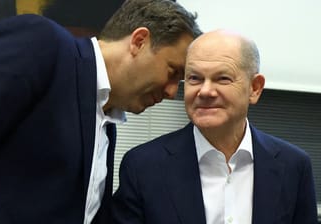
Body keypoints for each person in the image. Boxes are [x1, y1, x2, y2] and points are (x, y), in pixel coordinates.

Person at [0, 0, 201, 223]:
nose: (172, 91)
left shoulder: (106, 122)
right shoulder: (43, 42)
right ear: (139, 41)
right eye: (173, 71)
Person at [112, 30, 318, 224]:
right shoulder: (143, 166)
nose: (205, 91)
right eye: (195, 78)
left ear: (254, 89)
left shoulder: (293, 166)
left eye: (222, 78)